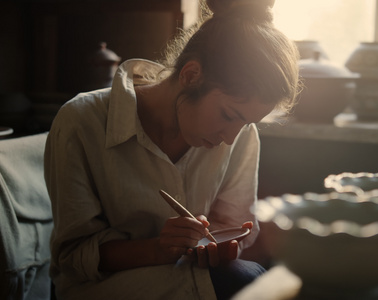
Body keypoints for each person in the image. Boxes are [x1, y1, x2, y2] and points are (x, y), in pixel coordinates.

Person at [43, 0, 300, 299]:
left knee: (254, 279)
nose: (231, 138)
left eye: (246, 123)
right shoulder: (81, 122)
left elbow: (231, 224)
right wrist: (158, 249)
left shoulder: (242, 135)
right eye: (229, 116)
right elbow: (73, 256)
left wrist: (215, 247)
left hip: (191, 273)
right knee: (246, 281)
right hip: (103, 285)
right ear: (191, 75)